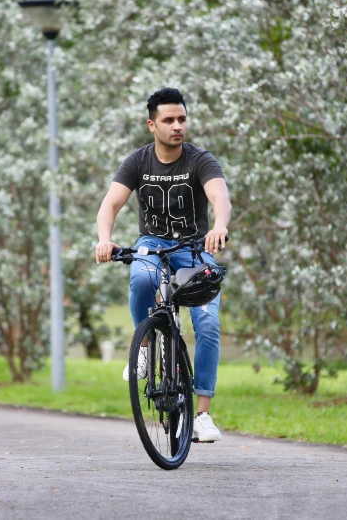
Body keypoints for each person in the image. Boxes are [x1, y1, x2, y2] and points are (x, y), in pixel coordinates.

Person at [95, 87, 232, 443]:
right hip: (153, 246)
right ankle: (142, 350)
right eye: (168, 120)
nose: (177, 126)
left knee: (207, 323)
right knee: (141, 279)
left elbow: (219, 195)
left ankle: (201, 414)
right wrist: (104, 238)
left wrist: (219, 226)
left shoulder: (200, 160)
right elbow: (110, 204)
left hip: (195, 249)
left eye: (181, 119)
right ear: (152, 125)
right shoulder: (138, 161)